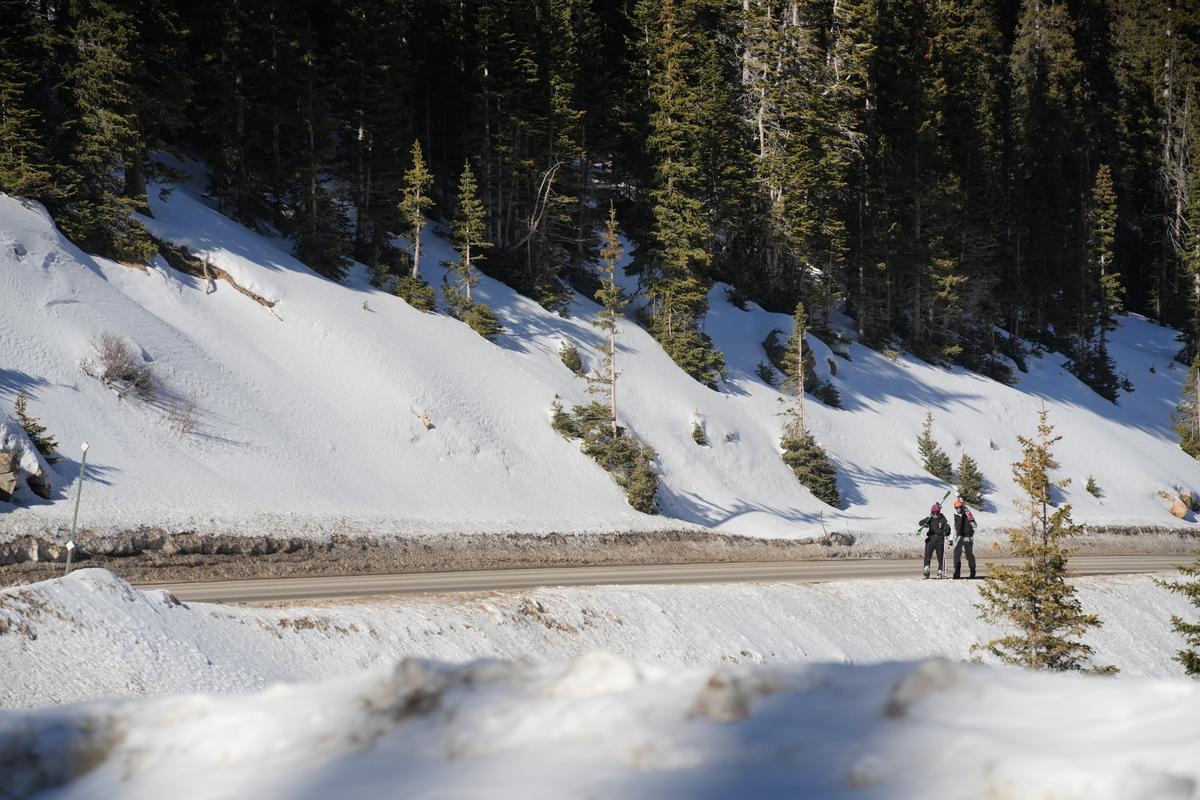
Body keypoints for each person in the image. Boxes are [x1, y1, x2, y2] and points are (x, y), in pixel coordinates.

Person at [918, 502, 950, 579]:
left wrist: (946, 532)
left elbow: (948, 528)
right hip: (930, 540)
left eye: (937, 513)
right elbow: (920, 522)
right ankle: (926, 568)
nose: (935, 515)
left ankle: (940, 570)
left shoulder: (943, 519)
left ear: (939, 512)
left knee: (940, 557)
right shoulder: (930, 518)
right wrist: (925, 524)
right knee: (927, 555)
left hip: (940, 540)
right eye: (934, 513)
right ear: (931, 513)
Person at [951, 497, 977, 579]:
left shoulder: (967, 513)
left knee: (969, 555)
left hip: (968, 536)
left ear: (962, 507)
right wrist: (951, 539)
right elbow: (953, 527)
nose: (958, 509)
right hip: (959, 536)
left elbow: (975, 525)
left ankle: (972, 570)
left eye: (960, 507)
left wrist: (971, 521)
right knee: (956, 554)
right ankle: (957, 572)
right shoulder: (955, 515)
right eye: (956, 508)